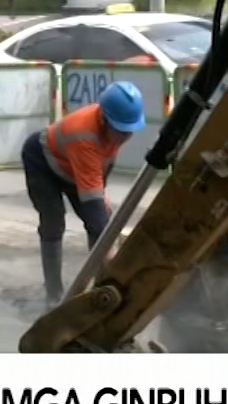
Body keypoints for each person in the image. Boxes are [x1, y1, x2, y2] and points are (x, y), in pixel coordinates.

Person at [21, 80, 147, 300]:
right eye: (121, 130)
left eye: (129, 131)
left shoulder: (117, 129)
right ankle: (53, 294)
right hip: (42, 161)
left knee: (101, 218)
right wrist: (109, 254)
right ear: (104, 119)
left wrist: (102, 197)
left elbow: (104, 164)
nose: (126, 136)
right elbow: (93, 209)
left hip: (73, 166)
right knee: (54, 220)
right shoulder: (83, 134)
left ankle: (101, 290)